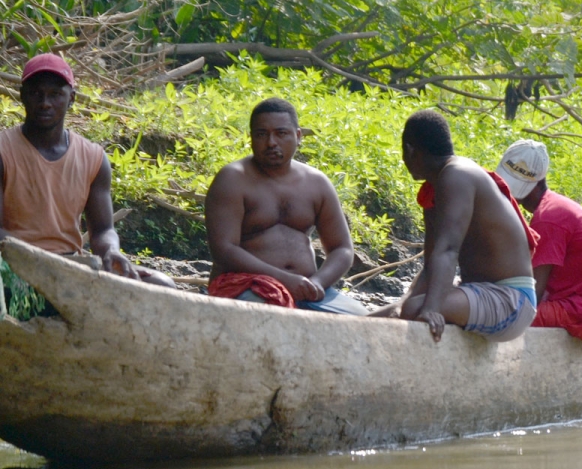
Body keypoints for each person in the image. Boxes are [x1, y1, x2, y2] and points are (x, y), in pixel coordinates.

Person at [0, 53, 173, 288]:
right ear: (22, 96)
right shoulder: (4, 150)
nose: (44, 103)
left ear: (71, 99)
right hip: (15, 265)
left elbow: (103, 230)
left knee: (162, 284)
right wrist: (42, 263)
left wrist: (112, 251)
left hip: (71, 265)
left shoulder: (93, 157)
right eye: (36, 93)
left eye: (55, 95)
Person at [369, 110, 538, 342]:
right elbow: (432, 263)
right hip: (481, 293)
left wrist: (430, 309)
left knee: (415, 310)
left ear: (409, 150)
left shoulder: (457, 176)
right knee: (385, 314)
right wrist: (401, 304)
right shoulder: (434, 188)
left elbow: (448, 250)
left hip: (511, 301)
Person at [205, 97, 367, 315]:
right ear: (251, 138)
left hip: (310, 291)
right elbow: (224, 250)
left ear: (298, 136)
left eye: (281, 133)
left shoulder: (317, 183)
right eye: (262, 134)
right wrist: (283, 280)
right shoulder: (233, 179)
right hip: (246, 286)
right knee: (266, 317)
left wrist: (317, 283)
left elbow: (342, 248)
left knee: (364, 321)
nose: (271, 142)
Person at [495, 140, 582, 342]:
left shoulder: (548, 218)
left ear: (538, 182)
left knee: (498, 315)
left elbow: (531, 297)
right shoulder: (551, 208)